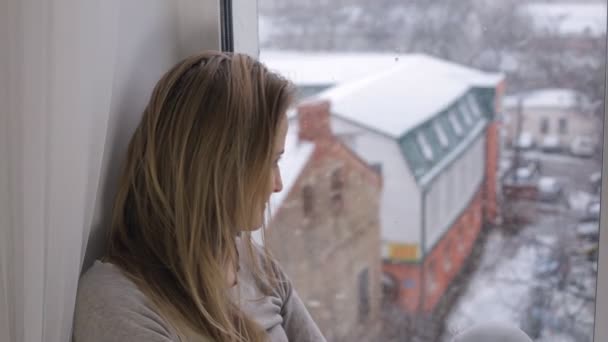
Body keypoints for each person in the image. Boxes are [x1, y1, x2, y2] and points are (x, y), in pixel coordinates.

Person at [73, 51, 532, 342]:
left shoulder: (251, 265)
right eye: (269, 162)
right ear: (219, 171)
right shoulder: (117, 305)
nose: (277, 184)